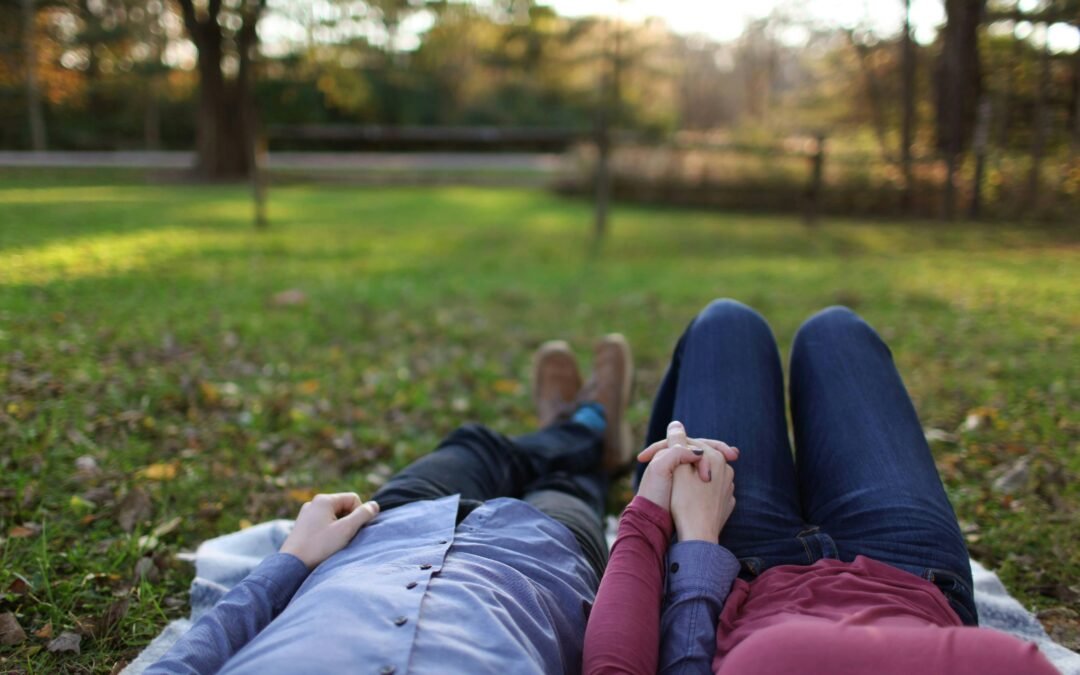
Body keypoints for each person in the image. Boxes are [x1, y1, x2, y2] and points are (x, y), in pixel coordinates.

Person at [147, 334, 715, 675]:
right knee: (571, 484)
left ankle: (581, 425)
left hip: (378, 539)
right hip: (542, 569)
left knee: (476, 444)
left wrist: (293, 558)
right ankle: (589, 431)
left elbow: (192, 658)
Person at [583, 300, 1059, 674]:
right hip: (913, 576)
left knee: (725, 325)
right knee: (837, 332)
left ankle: (605, 437)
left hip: (734, 571)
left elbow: (617, 666)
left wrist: (658, 509)